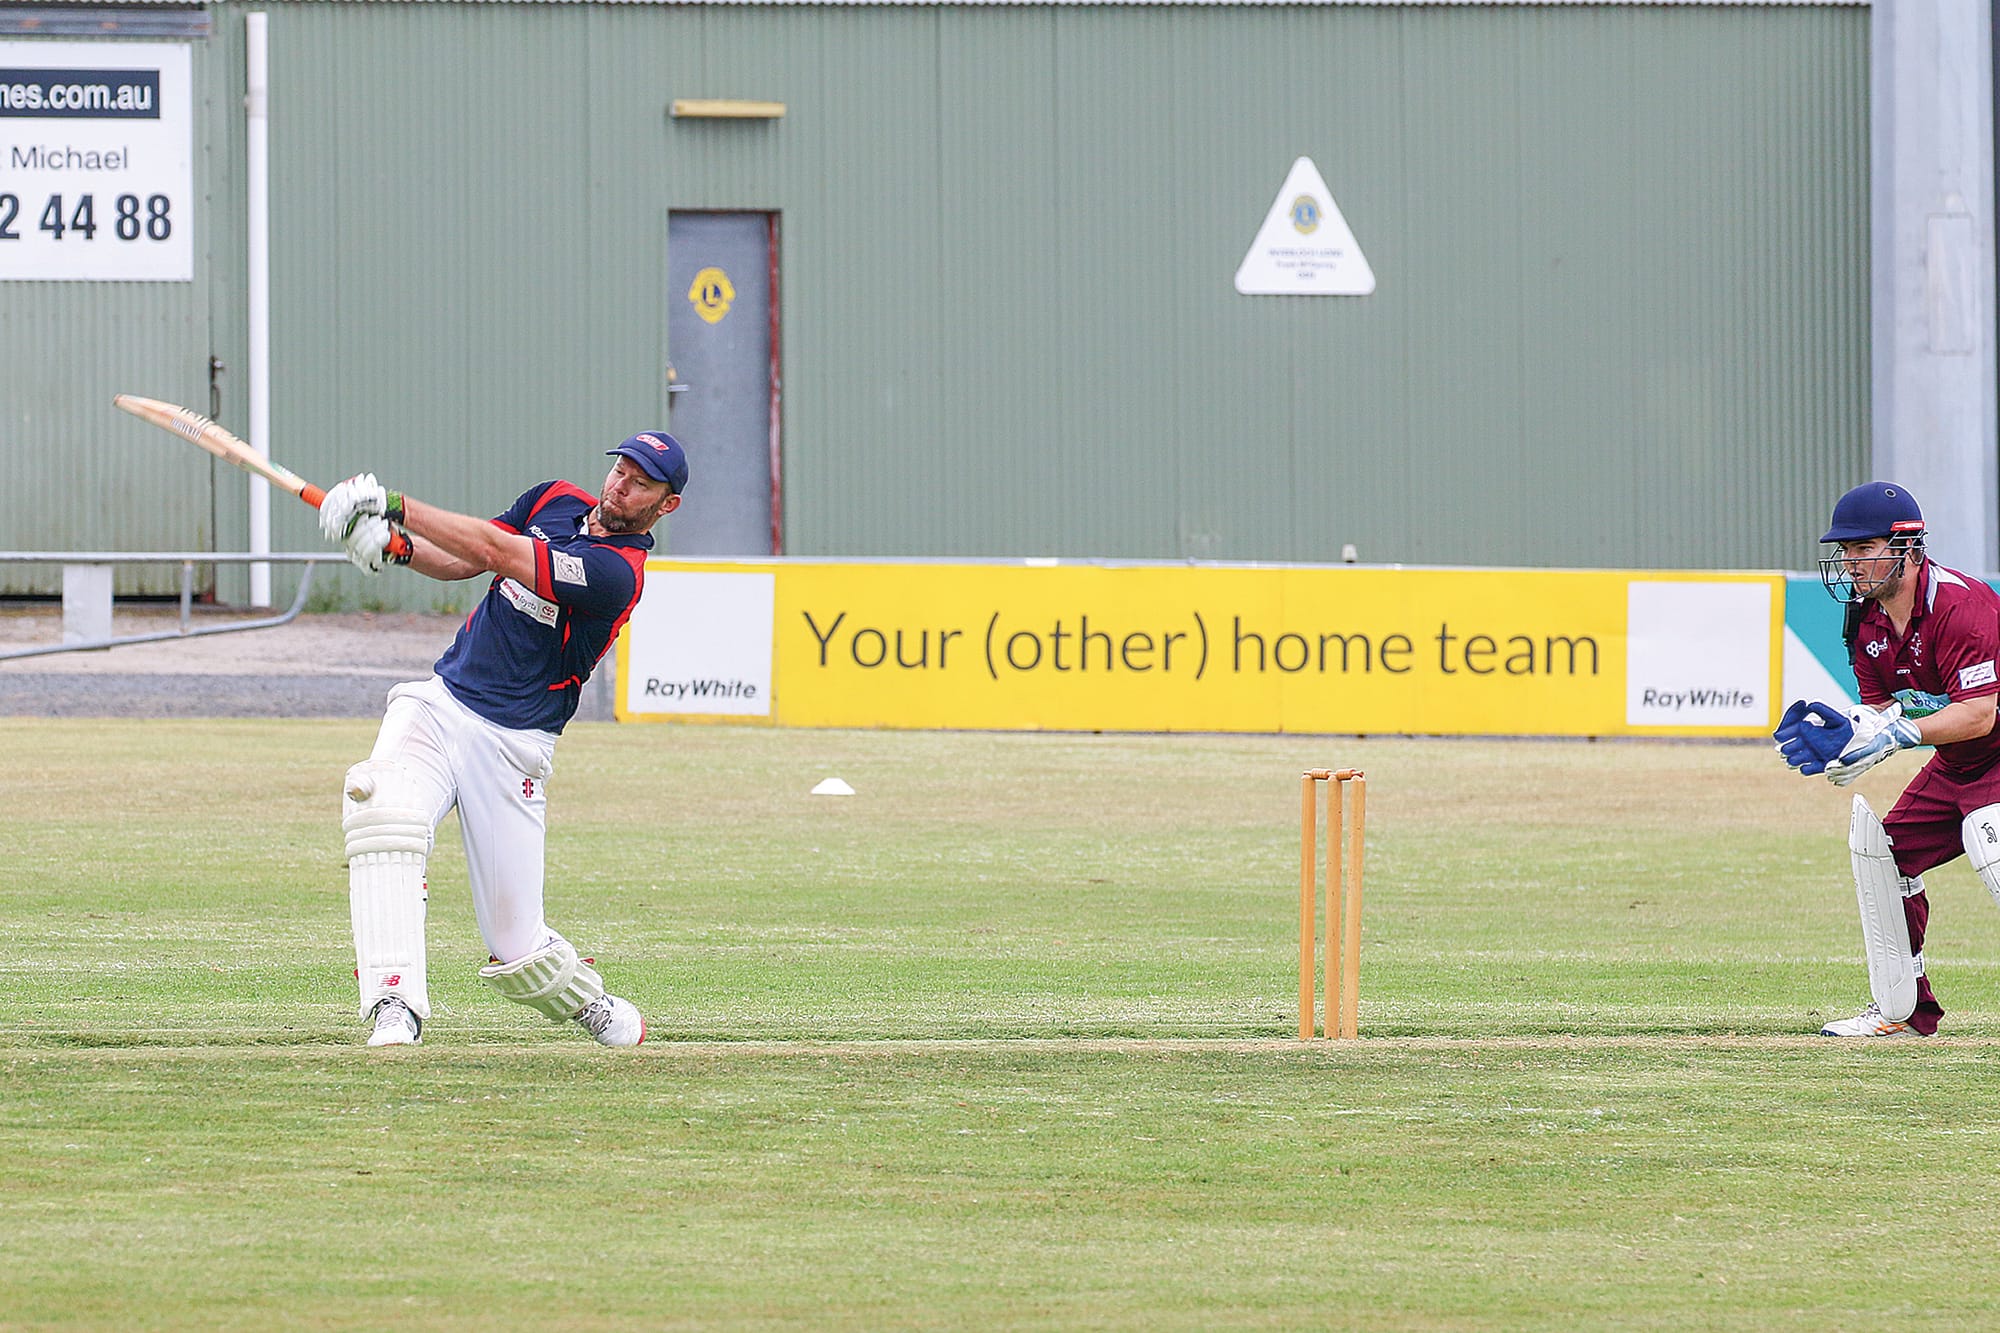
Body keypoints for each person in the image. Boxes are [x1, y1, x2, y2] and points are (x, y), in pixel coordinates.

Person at [316, 431, 688, 1048]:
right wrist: (395, 547)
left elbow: (496, 548)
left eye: (642, 482)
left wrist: (394, 504)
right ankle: (393, 1002)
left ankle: (592, 1005)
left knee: (517, 948)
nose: (623, 484)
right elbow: (466, 560)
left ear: (665, 504)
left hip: (513, 743)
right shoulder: (554, 500)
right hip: (440, 705)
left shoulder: (616, 574)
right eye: (621, 469)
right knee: (383, 813)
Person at [1774, 480, 2000, 1037]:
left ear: (1907, 546)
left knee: (1989, 838)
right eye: (1845, 551)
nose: (1850, 564)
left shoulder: (1962, 607)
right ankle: (1901, 1012)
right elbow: (1880, 712)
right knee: (1884, 858)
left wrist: (1895, 733)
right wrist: (1851, 737)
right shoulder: (1865, 624)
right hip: (1956, 764)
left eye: (1863, 549)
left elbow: (1979, 714)